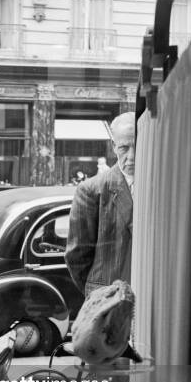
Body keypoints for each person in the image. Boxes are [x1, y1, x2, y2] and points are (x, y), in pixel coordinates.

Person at [65, 111, 135, 296]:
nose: (132, 156)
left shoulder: (159, 187)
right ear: (113, 146)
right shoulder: (91, 190)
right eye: (124, 148)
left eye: (137, 146)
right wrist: (96, 293)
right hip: (106, 300)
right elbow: (77, 256)